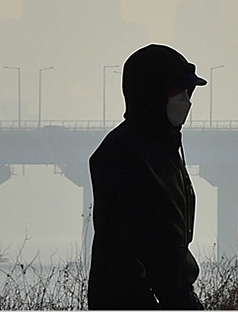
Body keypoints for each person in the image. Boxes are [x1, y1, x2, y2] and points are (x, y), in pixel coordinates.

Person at [87, 44, 206, 310]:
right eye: (179, 92)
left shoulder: (166, 150)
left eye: (189, 92)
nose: (187, 101)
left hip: (168, 297)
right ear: (152, 95)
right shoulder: (123, 153)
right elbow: (137, 246)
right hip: (133, 300)